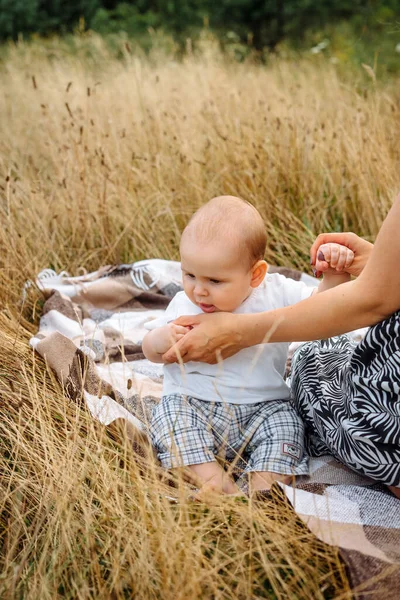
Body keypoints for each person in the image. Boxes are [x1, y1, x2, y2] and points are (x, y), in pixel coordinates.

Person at [161, 193, 400, 499]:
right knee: (172, 419)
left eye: (215, 281)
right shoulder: (184, 303)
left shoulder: (275, 291)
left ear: (256, 274)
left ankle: (262, 488)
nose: (199, 289)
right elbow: (156, 349)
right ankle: (214, 481)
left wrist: (334, 276)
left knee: (288, 426)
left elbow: (322, 309)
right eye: (189, 275)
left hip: (264, 407)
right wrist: (163, 341)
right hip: (196, 403)